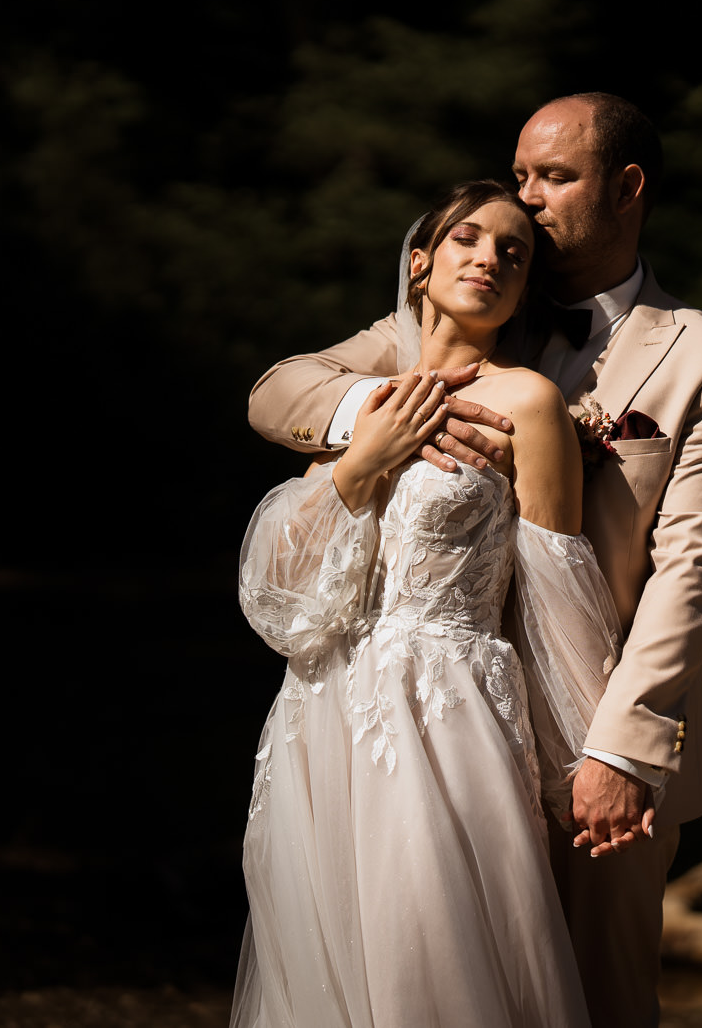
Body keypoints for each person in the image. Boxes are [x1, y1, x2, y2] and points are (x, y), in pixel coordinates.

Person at [248, 93, 702, 1028]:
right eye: (519, 175)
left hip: (597, 731)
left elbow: (694, 571)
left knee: (597, 1001)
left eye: (554, 178)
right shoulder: (464, 308)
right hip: (422, 729)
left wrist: (618, 749)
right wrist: (387, 416)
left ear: (629, 188)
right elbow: (276, 390)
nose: (524, 204)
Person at [233, 179, 622, 1027]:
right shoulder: (366, 397)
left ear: (523, 289)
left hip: (444, 714)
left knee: (433, 963)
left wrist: (599, 757)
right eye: (469, 240)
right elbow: (284, 593)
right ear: (420, 263)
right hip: (320, 711)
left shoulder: (527, 403)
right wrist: (360, 460)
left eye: (513, 254)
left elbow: (559, 591)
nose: (490, 258)